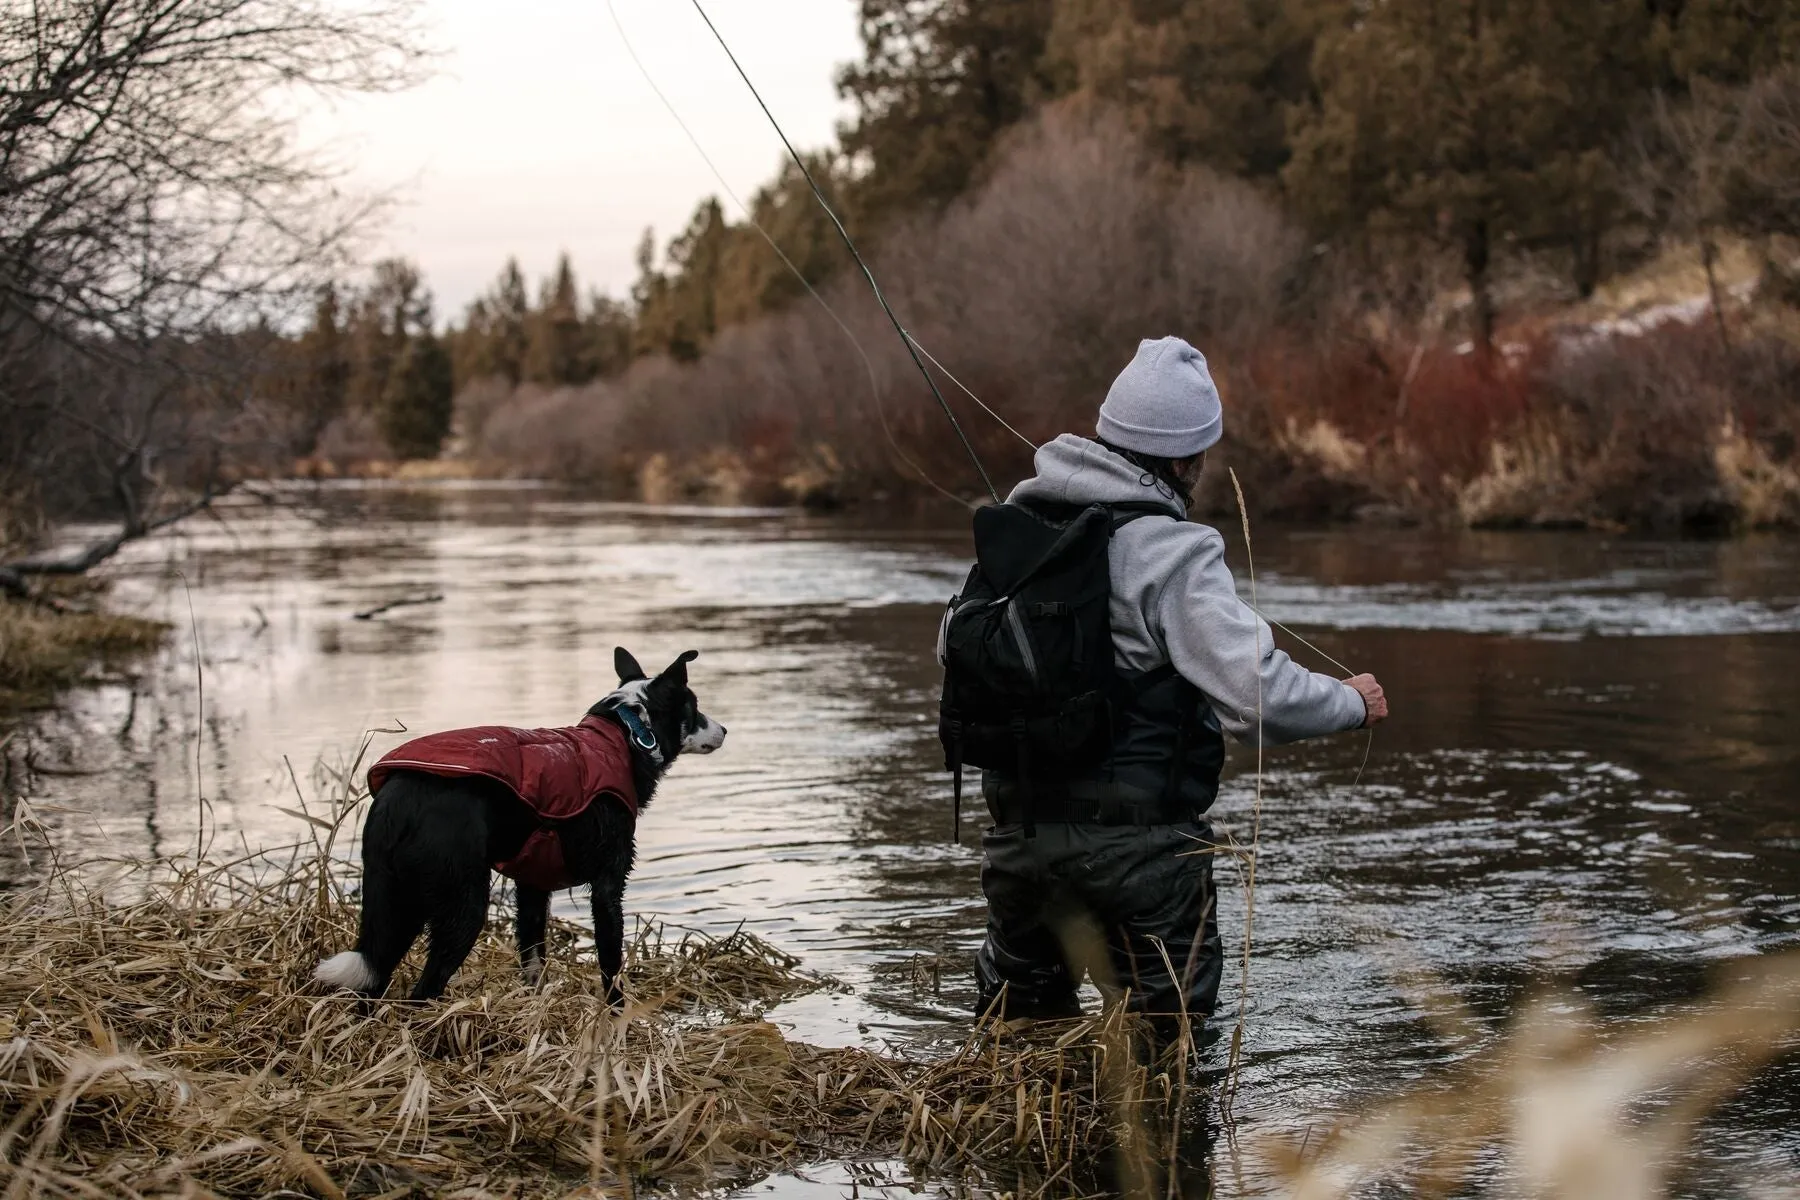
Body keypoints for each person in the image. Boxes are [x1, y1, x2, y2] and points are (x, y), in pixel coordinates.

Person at [972, 335, 1389, 1034]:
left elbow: (954, 652)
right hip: (1143, 862)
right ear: (1185, 457)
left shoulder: (1014, 532)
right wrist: (1352, 703)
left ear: (1107, 431)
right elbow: (1258, 700)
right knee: (1165, 1058)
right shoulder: (1174, 551)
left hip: (1019, 846)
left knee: (1015, 1047)